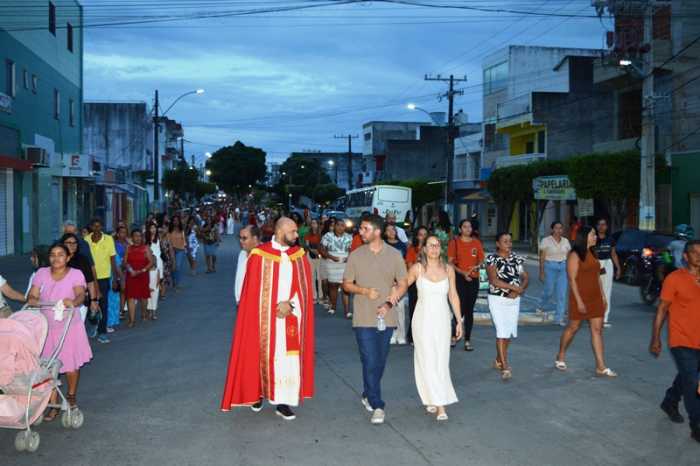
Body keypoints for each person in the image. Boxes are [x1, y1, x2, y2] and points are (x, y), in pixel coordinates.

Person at [221, 217, 315, 421]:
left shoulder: (298, 255)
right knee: (259, 355)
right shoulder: (259, 255)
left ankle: (283, 402)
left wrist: (290, 305)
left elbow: (305, 290)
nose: (296, 235)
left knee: (287, 359)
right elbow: (250, 293)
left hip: (290, 318)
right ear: (280, 232)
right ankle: (257, 394)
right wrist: (271, 308)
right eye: (292, 232)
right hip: (263, 320)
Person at [342, 214, 407, 425]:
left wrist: (389, 303)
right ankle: (377, 404)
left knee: (379, 361)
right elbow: (346, 284)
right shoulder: (356, 255)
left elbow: (403, 283)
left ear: (377, 231)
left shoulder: (395, 255)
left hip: (387, 317)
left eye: (365, 229)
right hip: (363, 317)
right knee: (369, 359)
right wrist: (364, 291)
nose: (361, 232)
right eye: (360, 228)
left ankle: (368, 392)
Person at [26, 243, 92, 421]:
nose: (56, 258)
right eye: (53, 255)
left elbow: (80, 294)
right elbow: (33, 294)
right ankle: (52, 404)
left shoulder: (76, 274)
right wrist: (32, 299)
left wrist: (73, 302)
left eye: (61, 254)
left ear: (68, 257)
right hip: (46, 327)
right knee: (47, 367)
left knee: (70, 365)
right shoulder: (41, 273)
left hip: (69, 326)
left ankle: (71, 396)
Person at [405, 234, 461, 421]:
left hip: (443, 319)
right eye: (430, 245)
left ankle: (433, 397)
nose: (434, 249)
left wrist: (459, 321)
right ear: (424, 249)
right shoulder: (417, 268)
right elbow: (403, 284)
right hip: (422, 320)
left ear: (441, 248)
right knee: (426, 359)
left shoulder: (449, 269)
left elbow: (453, 295)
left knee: (441, 359)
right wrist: (390, 297)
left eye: (437, 245)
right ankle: (439, 404)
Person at [650, 240, 700, 442]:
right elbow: (662, 309)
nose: (699, 256)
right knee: (692, 382)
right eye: (695, 252)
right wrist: (655, 338)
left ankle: (670, 401)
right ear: (685, 257)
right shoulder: (674, 279)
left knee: (688, 375)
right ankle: (697, 425)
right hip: (681, 340)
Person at [555, 226, 617, 377]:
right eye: (593, 234)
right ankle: (561, 354)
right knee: (573, 328)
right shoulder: (575, 254)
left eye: (595, 234)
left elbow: (597, 277)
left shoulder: (593, 252)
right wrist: (579, 301)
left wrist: (603, 297)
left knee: (597, 331)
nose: (596, 237)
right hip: (580, 297)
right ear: (584, 237)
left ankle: (601, 366)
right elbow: (572, 280)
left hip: (595, 297)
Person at [485, 232, 529, 381]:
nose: (509, 244)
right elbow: (493, 280)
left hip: (514, 300)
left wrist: (519, 289)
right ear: (497, 244)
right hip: (497, 299)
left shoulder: (515, 258)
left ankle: (498, 359)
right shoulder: (492, 258)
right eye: (505, 241)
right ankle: (504, 366)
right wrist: (514, 288)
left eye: (510, 241)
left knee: (508, 332)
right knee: (501, 331)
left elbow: (525, 277)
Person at [448, 219, 484, 351]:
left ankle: (467, 340)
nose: (468, 229)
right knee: (460, 308)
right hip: (459, 278)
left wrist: (475, 267)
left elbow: (482, 260)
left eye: (469, 227)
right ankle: (453, 336)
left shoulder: (476, 242)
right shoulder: (454, 242)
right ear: (460, 229)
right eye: (465, 227)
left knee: (469, 310)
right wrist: (463, 273)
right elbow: (450, 262)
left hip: (473, 278)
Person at [84, 218, 120, 344]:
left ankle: (102, 332)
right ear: (91, 227)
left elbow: (113, 260)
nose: (97, 229)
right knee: (90, 304)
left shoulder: (108, 239)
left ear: (102, 227)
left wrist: (115, 278)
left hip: (104, 277)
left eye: (99, 226)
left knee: (103, 304)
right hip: (88, 278)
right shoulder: (86, 240)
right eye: (94, 226)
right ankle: (94, 323)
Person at [537, 221, 572, 326]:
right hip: (550, 266)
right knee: (549, 290)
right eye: (556, 228)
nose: (558, 230)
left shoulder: (566, 241)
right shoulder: (546, 240)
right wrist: (541, 271)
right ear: (552, 229)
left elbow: (569, 256)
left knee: (561, 294)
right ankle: (541, 305)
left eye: (560, 228)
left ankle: (559, 318)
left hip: (563, 267)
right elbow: (542, 257)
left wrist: (570, 269)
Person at [60, 233, 98, 324]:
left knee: (77, 327)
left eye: (74, 243)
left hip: (80, 302)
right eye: (69, 243)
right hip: (61, 301)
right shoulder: (58, 260)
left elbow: (90, 281)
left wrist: (93, 300)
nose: (72, 245)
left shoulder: (83, 260)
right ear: (62, 244)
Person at [320, 219, 352, 318]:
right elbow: (321, 248)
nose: (340, 227)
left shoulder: (349, 237)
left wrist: (349, 257)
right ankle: (333, 307)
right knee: (333, 286)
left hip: (345, 265)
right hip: (332, 264)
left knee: (345, 287)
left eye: (342, 225)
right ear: (334, 226)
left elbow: (352, 250)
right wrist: (331, 257)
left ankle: (347, 311)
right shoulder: (328, 236)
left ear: (345, 227)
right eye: (338, 225)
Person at [123, 229, 154, 326]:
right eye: (135, 236)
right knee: (130, 297)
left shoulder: (146, 248)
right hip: (131, 275)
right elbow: (125, 262)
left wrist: (141, 271)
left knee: (143, 296)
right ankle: (132, 320)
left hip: (143, 275)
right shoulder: (128, 248)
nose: (138, 238)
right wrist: (130, 270)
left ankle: (144, 313)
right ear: (132, 238)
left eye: (139, 236)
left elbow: (151, 262)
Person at [595, 218, 622, 328]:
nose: (601, 226)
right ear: (597, 226)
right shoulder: (593, 238)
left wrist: (618, 268)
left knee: (606, 291)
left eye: (604, 224)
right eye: (599, 224)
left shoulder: (610, 239)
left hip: (607, 264)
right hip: (595, 264)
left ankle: (604, 318)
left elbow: (613, 254)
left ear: (606, 227)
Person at [384, 223, 408, 344]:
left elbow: (405, 262)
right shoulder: (382, 245)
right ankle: (392, 333)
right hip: (386, 279)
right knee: (389, 307)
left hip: (399, 279)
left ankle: (401, 334)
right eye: (388, 230)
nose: (391, 232)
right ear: (384, 233)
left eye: (393, 230)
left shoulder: (402, 245)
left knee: (400, 308)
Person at [405, 226, 428, 345]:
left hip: (427, 283)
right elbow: (409, 266)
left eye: (425, 235)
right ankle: (412, 335)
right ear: (416, 236)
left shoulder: (430, 249)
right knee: (414, 310)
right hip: (414, 282)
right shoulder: (412, 249)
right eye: (420, 234)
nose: (423, 237)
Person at [235, 225, 261, 303]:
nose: (240, 241)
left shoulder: (263, 255)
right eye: (239, 237)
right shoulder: (242, 253)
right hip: (240, 302)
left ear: (255, 239)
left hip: (254, 303)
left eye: (244, 238)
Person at [302, 219, 323, 304]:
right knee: (312, 276)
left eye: (315, 223)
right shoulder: (308, 235)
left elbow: (323, 245)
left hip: (319, 255)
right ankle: (314, 296)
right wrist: (312, 250)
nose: (313, 225)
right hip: (310, 255)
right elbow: (307, 245)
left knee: (319, 276)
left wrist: (319, 252)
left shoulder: (321, 234)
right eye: (312, 223)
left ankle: (321, 296)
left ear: (318, 224)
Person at [145, 223, 163, 320]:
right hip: (148, 266)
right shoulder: (145, 241)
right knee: (148, 288)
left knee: (156, 288)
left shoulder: (158, 239)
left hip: (158, 265)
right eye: (151, 228)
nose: (153, 229)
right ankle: (148, 309)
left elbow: (160, 253)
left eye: (154, 228)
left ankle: (154, 311)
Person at [168, 215, 187, 289]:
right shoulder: (169, 230)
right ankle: (174, 281)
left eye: (177, 220)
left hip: (180, 250)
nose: (175, 222)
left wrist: (186, 248)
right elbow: (168, 241)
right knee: (173, 267)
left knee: (178, 267)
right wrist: (170, 250)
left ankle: (177, 283)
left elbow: (184, 240)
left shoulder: (181, 230)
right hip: (171, 250)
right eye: (174, 220)